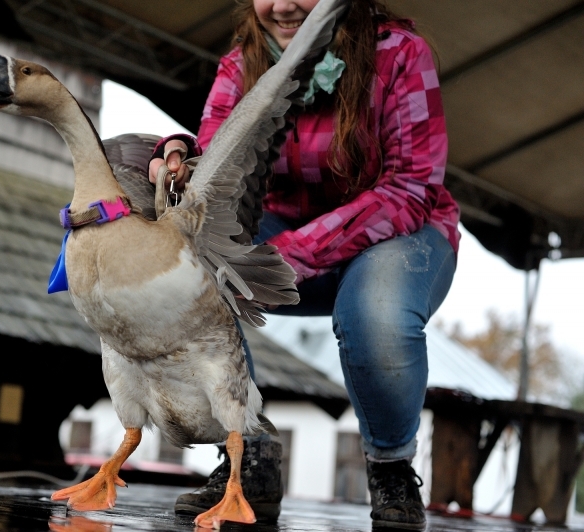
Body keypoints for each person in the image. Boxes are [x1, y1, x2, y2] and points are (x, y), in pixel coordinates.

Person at [148, 0, 460, 529]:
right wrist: (177, 153)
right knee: (186, 266)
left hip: (399, 231)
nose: (284, 5)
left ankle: (391, 468)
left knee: (375, 313)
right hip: (283, 233)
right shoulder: (240, 64)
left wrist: (288, 255)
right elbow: (218, 171)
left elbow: (410, 189)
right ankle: (249, 457)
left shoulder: (401, 54)